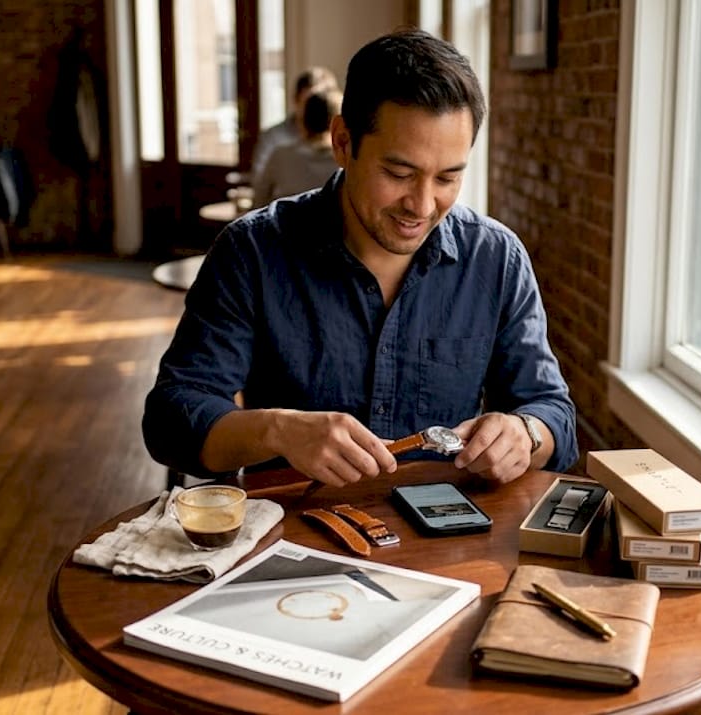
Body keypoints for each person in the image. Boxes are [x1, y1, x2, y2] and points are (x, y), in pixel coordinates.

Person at [143, 28, 577, 489]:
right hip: (298, 539)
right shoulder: (251, 252)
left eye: (448, 178)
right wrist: (280, 431)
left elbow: (554, 415)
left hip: (447, 543)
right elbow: (171, 420)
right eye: (398, 173)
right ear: (343, 143)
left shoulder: (496, 259)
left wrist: (525, 433)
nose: (423, 205)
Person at [251, 87, 341, 208]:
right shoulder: (345, 162)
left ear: (303, 120)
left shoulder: (281, 156)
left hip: (286, 225)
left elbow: (259, 202)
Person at [249, 66, 337, 183]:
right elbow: (259, 183)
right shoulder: (274, 139)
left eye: (323, 103)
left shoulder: (344, 147)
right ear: (296, 101)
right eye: (310, 102)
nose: (317, 109)